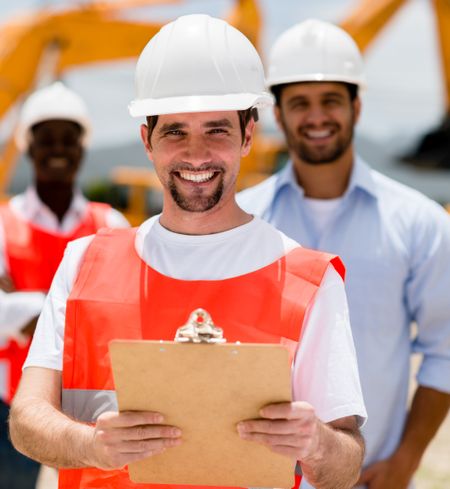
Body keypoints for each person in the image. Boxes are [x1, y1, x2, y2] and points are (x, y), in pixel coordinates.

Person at [9, 14, 366, 489]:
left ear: (247, 136)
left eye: (216, 130)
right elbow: (26, 419)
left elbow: (345, 466)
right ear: (147, 142)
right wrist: (91, 446)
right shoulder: (84, 263)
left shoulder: (310, 280)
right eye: (175, 131)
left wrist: (316, 442)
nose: (196, 154)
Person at [237, 18, 450, 489]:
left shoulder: (420, 222)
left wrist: (408, 459)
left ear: (356, 105)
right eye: (300, 104)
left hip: (374, 479)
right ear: (278, 115)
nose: (316, 117)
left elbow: (445, 352)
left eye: (331, 100)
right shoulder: (242, 223)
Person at [0, 81, 129, 489]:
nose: (58, 149)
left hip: (93, 416)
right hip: (10, 414)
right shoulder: (3, 224)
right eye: (46, 139)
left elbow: (124, 315)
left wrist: (22, 305)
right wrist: (78, 311)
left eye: (68, 139)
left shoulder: (112, 225)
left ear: (82, 148)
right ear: (28, 147)